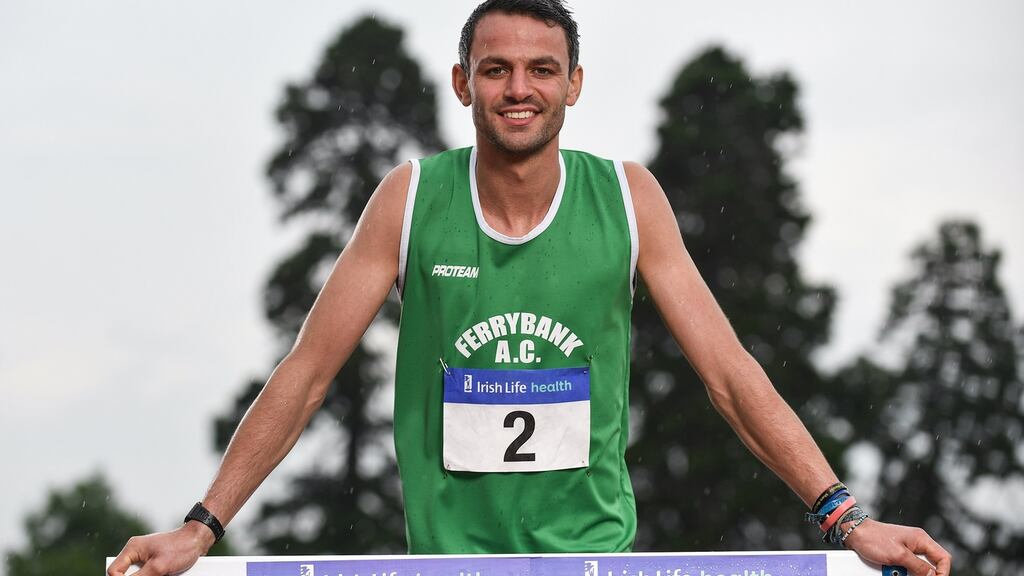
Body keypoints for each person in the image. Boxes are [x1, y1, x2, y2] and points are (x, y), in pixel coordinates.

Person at [108, 1, 953, 575]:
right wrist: (203, 526)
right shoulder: (410, 199)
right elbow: (307, 376)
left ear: (574, 84)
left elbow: (728, 374)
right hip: (449, 563)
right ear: (462, 82)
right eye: (498, 69)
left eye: (542, 69)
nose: (520, 89)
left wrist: (845, 520)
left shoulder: (626, 198)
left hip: (591, 557)